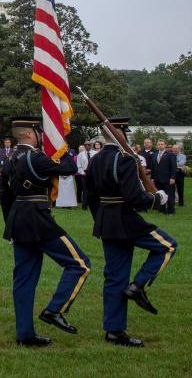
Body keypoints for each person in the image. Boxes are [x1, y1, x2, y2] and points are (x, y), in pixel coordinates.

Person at [85, 118, 176, 347]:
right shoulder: (124, 159)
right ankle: (137, 286)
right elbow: (134, 197)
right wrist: (157, 198)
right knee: (167, 246)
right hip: (126, 220)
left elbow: (90, 197)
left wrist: (102, 219)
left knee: (115, 277)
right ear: (120, 134)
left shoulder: (95, 160)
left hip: (106, 221)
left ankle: (114, 331)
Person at [0, 116, 91, 347]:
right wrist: (62, 145)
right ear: (31, 134)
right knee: (80, 264)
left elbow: (5, 196)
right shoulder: (36, 157)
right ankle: (54, 310)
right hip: (38, 219)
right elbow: (69, 168)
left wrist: (9, 227)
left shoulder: (10, 158)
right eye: (40, 132)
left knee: (24, 280)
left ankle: (25, 335)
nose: (43, 135)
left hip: (18, 219)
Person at [151, 140, 177, 215]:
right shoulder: (154, 155)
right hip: (157, 179)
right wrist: (152, 178)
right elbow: (153, 167)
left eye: (162, 144)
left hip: (168, 179)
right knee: (160, 195)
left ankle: (171, 211)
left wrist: (173, 177)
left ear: (165, 145)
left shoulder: (170, 155)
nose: (160, 145)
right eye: (158, 144)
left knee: (169, 195)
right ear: (156, 146)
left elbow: (173, 167)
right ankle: (162, 210)